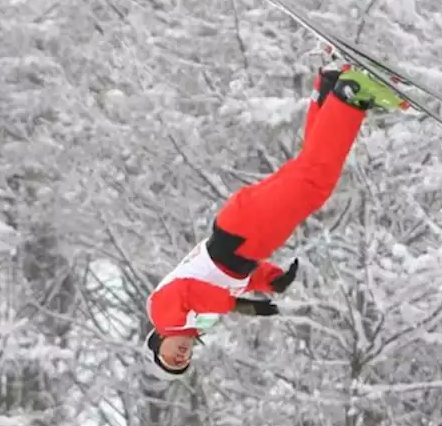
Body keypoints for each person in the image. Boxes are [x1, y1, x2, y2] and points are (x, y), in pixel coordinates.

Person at [145, 65, 405, 377]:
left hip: (243, 233)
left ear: (158, 340)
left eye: (170, 358)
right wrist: (268, 279)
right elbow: (221, 277)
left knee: (314, 181)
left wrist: (241, 306)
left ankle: (350, 94)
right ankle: (331, 88)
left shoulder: (164, 315)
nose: (180, 357)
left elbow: (191, 290)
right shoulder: (193, 317)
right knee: (309, 174)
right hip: (242, 235)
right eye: (182, 363)